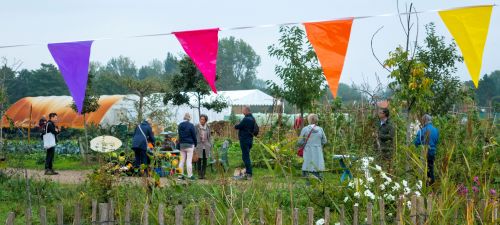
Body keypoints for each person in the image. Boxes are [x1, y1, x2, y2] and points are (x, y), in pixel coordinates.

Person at [298, 114, 327, 182]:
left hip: (308, 151)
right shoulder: (320, 129)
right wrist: (318, 145)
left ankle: (308, 185)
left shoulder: (305, 129)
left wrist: (304, 144)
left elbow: (299, 141)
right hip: (318, 151)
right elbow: (325, 141)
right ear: (316, 120)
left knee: (308, 166)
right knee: (317, 167)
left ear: (309, 120)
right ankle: (319, 184)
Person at [414, 114, 439, 185]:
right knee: (430, 168)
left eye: (422, 121)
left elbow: (416, 143)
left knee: (421, 169)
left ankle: (423, 186)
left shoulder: (422, 130)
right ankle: (431, 184)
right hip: (432, 152)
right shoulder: (436, 130)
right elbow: (436, 141)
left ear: (424, 120)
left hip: (424, 152)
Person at [234, 106, 257, 180]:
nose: (242, 112)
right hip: (250, 140)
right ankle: (247, 171)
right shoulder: (253, 118)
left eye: (243, 110)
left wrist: (235, 125)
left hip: (244, 140)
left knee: (246, 157)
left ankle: (249, 173)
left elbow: (238, 126)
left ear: (247, 111)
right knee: (245, 156)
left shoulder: (246, 119)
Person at [177, 113, 197, 180]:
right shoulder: (191, 125)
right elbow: (194, 136)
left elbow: (179, 135)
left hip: (182, 145)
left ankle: (180, 176)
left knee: (181, 161)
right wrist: (195, 144)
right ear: (189, 118)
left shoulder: (180, 125)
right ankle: (190, 176)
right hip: (189, 145)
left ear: (184, 117)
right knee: (188, 161)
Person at [195, 114, 212, 179]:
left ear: (205, 121)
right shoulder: (196, 127)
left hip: (206, 145)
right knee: (199, 159)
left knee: (205, 160)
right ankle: (199, 174)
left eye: (203, 119)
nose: (201, 121)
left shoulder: (208, 127)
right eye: (201, 119)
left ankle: (203, 174)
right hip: (199, 145)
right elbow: (194, 135)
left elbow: (209, 137)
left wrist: (210, 145)